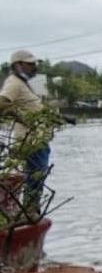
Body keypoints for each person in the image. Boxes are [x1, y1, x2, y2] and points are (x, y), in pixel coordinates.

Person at [0, 50, 50, 207]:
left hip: (36, 139)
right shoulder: (14, 83)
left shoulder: (23, 83)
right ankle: (31, 210)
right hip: (30, 141)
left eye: (34, 63)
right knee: (35, 177)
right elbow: (2, 103)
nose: (34, 67)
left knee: (37, 176)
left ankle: (31, 209)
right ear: (18, 65)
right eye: (30, 64)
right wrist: (21, 119)